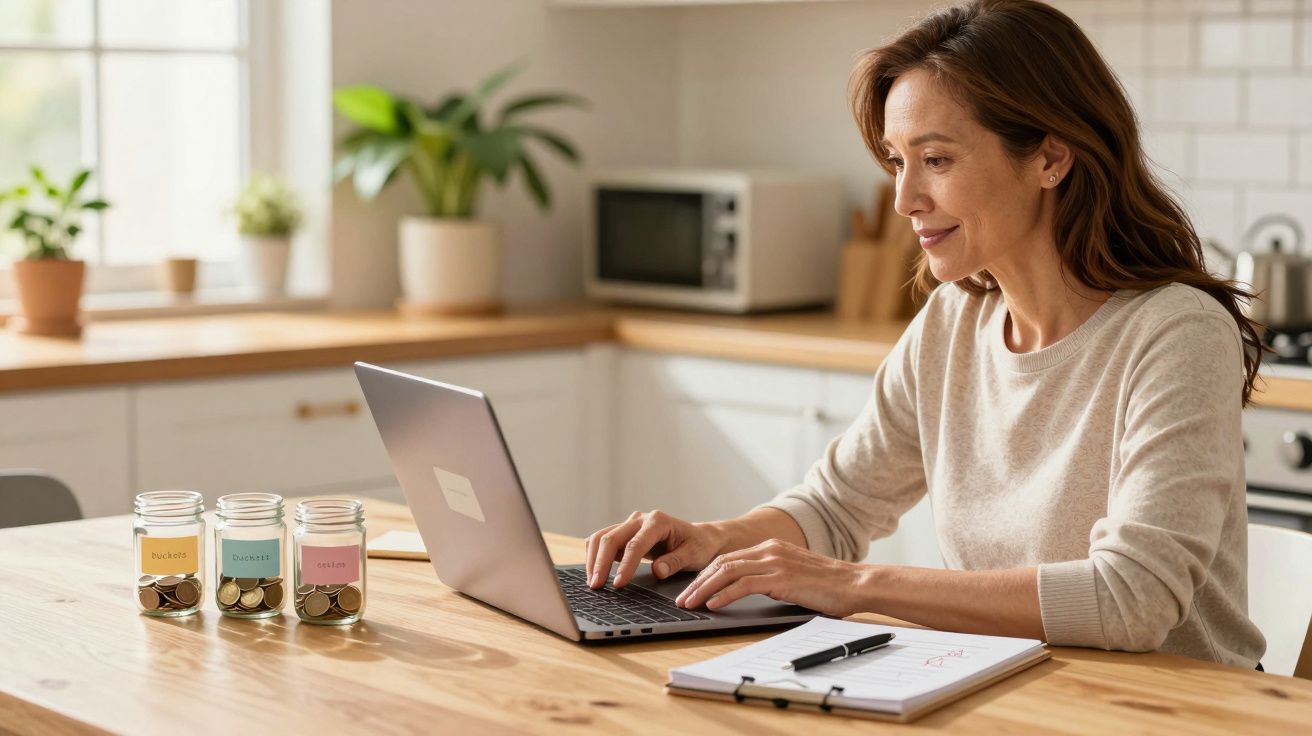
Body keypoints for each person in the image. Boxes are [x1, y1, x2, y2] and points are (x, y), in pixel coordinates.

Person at [584, 0, 1268, 669]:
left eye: (936, 160)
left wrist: (854, 586)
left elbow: (1133, 599)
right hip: (1012, 696)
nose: (904, 200)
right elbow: (837, 504)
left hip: (1178, 714)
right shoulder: (953, 321)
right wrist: (711, 539)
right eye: (896, 159)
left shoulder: (1175, 332)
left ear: (1051, 159)